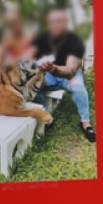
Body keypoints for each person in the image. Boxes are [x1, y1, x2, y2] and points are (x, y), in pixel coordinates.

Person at [33, 8, 95, 144]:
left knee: (79, 88)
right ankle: (46, 118)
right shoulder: (41, 39)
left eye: (59, 22)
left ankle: (85, 123)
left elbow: (71, 71)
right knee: (35, 86)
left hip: (69, 76)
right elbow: (31, 62)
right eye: (52, 22)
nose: (55, 25)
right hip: (49, 75)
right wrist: (39, 69)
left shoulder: (75, 42)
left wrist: (53, 68)